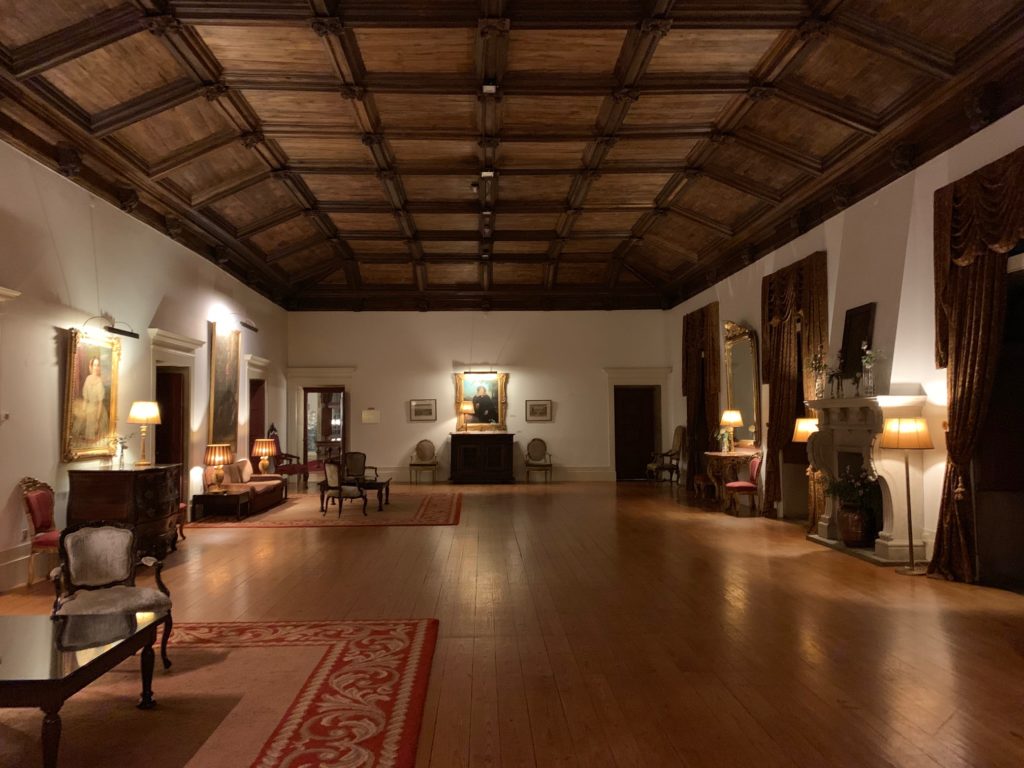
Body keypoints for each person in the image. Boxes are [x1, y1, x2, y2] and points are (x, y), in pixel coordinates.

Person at [79, 356, 108, 442]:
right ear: (91, 366)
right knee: (83, 435)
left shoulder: (100, 381)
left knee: (94, 438)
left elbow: (100, 403)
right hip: (88, 408)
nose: (96, 367)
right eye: (94, 365)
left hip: (98, 410)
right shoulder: (88, 379)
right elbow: (85, 398)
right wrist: (83, 411)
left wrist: (97, 419)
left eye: (98, 365)